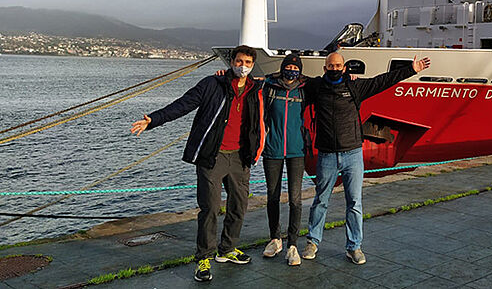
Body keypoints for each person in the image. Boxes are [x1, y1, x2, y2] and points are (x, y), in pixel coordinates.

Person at [130, 45, 265, 282]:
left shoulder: (256, 89)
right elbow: (183, 105)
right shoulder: (212, 84)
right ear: (231, 61)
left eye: (247, 63)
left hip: (240, 156)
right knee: (210, 207)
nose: (242, 66)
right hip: (212, 155)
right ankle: (204, 256)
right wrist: (154, 120)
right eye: (239, 61)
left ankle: (228, 249)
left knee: (239, 206)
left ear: (253, 65)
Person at [301, 52, 430, 265]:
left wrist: (411, 70)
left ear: (344, 68)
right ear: (325, 68)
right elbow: (288, 79)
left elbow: (382, 81)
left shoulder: (355, 87)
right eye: (331, 66)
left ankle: (354, 247)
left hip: (352, 153)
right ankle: (312, 242)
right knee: (321, 200)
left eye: (338, 65)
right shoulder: (316, 87)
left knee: (354, 202)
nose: (334, 69)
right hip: (326, 154)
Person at [260, 53, 309, 266]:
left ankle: (292, 245)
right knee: (272, 196)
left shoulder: (305, 89)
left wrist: (349, 77)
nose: (292, 70)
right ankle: (275, 239)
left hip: (297, 150)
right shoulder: (269, 87)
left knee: (296, 199)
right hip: (273, 148)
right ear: (282, 68)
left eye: (295, 67)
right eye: (288, 66)